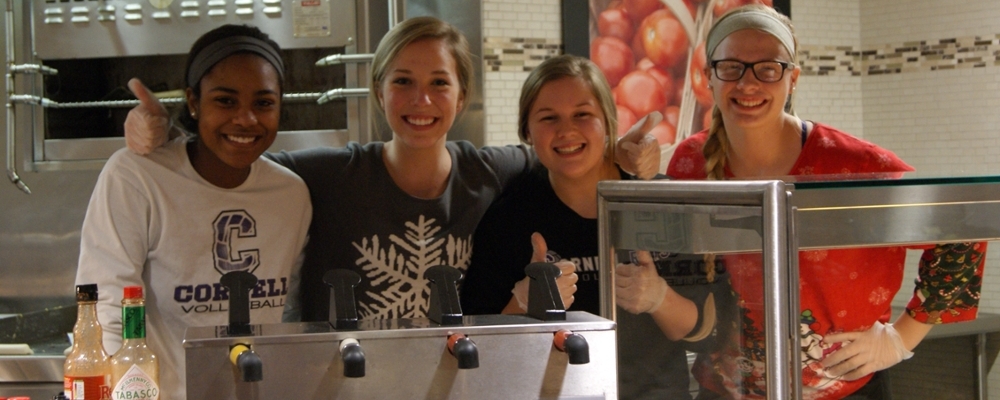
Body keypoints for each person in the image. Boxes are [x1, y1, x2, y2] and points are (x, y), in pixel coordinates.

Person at [122, 16, 662, 323]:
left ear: (462, 95)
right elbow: (235, 155)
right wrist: (169, 135)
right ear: (379, 89)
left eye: (439, 83)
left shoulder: (494, 170)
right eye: (402, 80)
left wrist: (621, 156)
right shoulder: (329, 174)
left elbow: (562, 150)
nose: (420, 99)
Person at [666, 5, 987, 399]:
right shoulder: (689, 161)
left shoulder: (858, 165)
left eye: (768, 68)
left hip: (845, 390)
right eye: (731, 66)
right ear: (708, 77)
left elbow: (963, 229)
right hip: (723, 391)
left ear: (793, 79)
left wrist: (901, 339)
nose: (748, 84)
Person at [459, 55, 726, 399]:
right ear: (527, 130)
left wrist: (659, 297)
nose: (566, 130)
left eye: (583, 115)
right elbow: (475, 341)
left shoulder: (660, 202)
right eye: (548, 118)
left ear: (608, 122)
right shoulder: (510, 217)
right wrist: (522, 304)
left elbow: (710, 331)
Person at [75, 25, 312, 400]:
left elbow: (288, 313)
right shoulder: (137, 177)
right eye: (226, 101)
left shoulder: (291, 194)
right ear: (193, 101)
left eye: (264, 103)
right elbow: (107, 309)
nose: (246, 119)